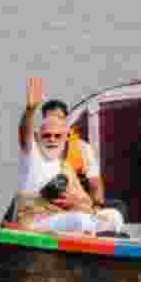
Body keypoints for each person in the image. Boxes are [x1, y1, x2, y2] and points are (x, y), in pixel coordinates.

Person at [15, 78, 126, 236]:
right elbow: (24, 133)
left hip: (64, 216)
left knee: (115, 216)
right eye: (47, 136)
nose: (52, 139)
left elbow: (88, 201)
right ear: (39, 137)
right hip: (36, 221)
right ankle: (97, 234)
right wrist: (30, 110)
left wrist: (76, 203)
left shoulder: (66, 167)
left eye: (57, 136)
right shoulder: (32, 154)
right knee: (80, 221)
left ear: (66, 136)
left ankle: (102, 236)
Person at [38, 98, 105, 209]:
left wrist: (96, 207)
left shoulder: (83, 148)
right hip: (45, 205)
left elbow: (95, 185)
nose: (55, 123)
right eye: (50, 119)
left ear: (66, 121)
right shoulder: (35, 150)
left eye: (59, 119)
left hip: (78, 204)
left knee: (116, 210)